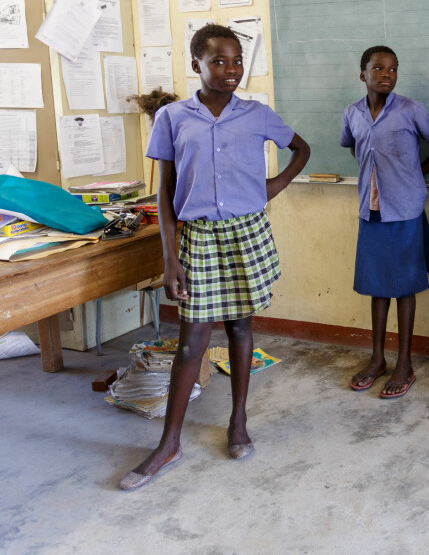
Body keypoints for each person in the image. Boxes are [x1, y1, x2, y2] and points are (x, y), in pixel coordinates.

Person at [118, 24, 311, 490]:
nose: (230, 70)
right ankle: (169, 443)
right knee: (191, 339)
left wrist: (273, 187)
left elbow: (301, 149)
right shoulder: (172, 118)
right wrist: (169, 258)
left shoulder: (257, 114)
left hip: (246, 231)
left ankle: (238, 420)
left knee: (242, 326)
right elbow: (164, 193)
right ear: (196, 66)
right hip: (198, 237)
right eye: (218, 61)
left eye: (237, 61)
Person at [341, 46, 429, 398]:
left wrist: (413, 174)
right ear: (363, 74)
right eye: (378, 69)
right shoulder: (352, 114)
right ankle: (377, 359)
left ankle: (404, 363)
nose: (386, 75)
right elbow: (354, 148)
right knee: (377, 286)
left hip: (404, 208)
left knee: (404, 286)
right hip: (370, 209)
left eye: (393, 69)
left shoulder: (410, 110)